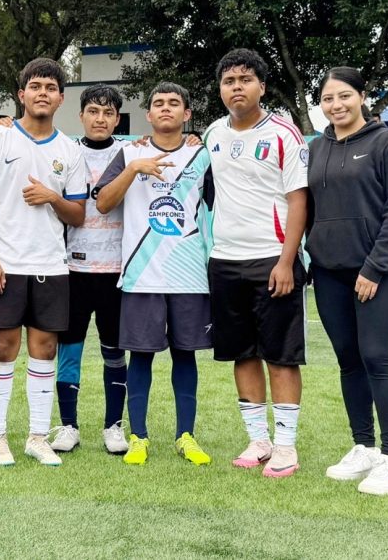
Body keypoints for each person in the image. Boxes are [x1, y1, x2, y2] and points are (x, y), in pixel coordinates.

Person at [0, 58, 87, 466]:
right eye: (35, 86)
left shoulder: (69, 150)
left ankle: (38, 437)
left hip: (52, 266)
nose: (42, 92)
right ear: (21, 94)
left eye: (50, 87)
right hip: (5, 263)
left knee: (44, 349)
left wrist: (53, 198)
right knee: (3, 348)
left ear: (60, 97)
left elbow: (78, 214)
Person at [307, 67, 388, 495]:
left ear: (362, 96)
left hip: (379, 273)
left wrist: (374, 268)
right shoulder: (316, 148)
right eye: (328, 99)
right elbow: (310, 209)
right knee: (349, 361)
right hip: (329, 274)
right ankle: (364, 447)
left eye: (344, 96)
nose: (336, 105)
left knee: (377, 358)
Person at [95, 82, 214, 466]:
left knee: (185, 355)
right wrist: (133, 170)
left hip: (188, 274)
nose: (166, 109)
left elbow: (223, 204)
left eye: (174, 103)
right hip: (141, 274)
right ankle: (139, 437)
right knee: (141, 357)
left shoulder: (202, 157)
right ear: (148, 114)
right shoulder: (129, 152)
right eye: (158, 103)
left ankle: (186, 436)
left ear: (187, 114)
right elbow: (102, 203)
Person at [203, 48, 309, 478]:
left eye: (245, 80)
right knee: (241, 353)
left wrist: (287, 261)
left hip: (272, 259)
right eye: (229, 81)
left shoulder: (285, 133)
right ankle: (258, 438)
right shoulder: (212, 133)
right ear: (221, 89)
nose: (237, 88)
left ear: (261, 86)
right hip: (225, 259)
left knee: (280, 355)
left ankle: (285, 447)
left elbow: (298, 201)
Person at [49, 84, 130, 455]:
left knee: (114, 351)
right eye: (94, 111)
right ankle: (68, 426)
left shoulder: (130, 153)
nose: (100, 119)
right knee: (70, 349)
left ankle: (114, 426)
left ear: (117, 118)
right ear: (81, 115)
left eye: (108, 113)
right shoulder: (65, 151)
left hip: (117, 271)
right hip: (72, 270)